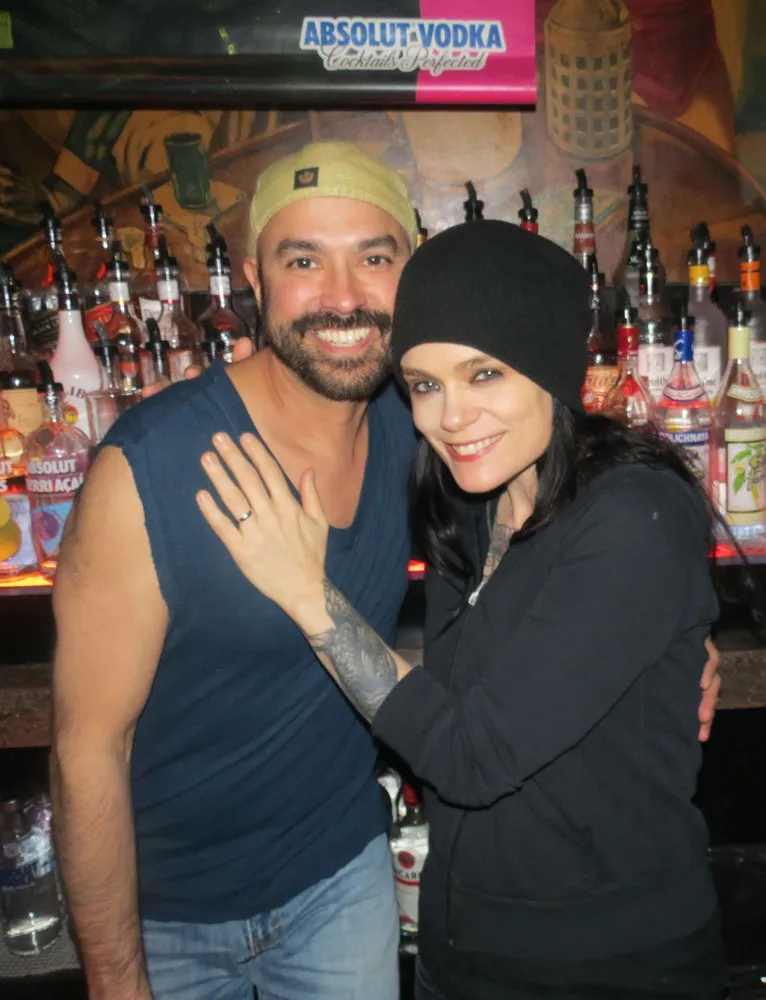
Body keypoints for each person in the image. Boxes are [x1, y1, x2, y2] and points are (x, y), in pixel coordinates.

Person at [196, 219, 727, 999]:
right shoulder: (472, 507)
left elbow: (472, 757)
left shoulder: (632, 518)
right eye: (424, 384)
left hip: (608, 964)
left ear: (550, 367)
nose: (450, 417)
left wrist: (306, 593)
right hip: (464, 952)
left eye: (484, 375)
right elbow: (461, 700)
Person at [50, 141, 419, 1000]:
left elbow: (554, 498)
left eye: (373, 258)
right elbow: (87, 749)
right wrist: (116, 980)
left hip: (341, 879)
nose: (343, 298)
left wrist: (658, 634)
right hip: (168, 918)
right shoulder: (151, 465)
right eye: (304, 261)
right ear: (255, 280)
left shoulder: (418, 420)